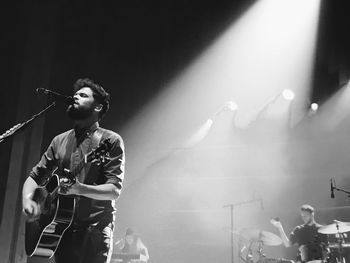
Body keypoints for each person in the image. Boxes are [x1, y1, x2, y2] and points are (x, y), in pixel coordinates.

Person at [22, 78, 125, 263]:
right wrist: (28, 202)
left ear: (98, 107)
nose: (75, 96)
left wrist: (80, 189)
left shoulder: (110, 141)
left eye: (83, 95)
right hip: (61, 230)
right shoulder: (59, 140)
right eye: (76, 94)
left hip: (94, 231)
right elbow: (34, 178)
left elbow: (114, 190)